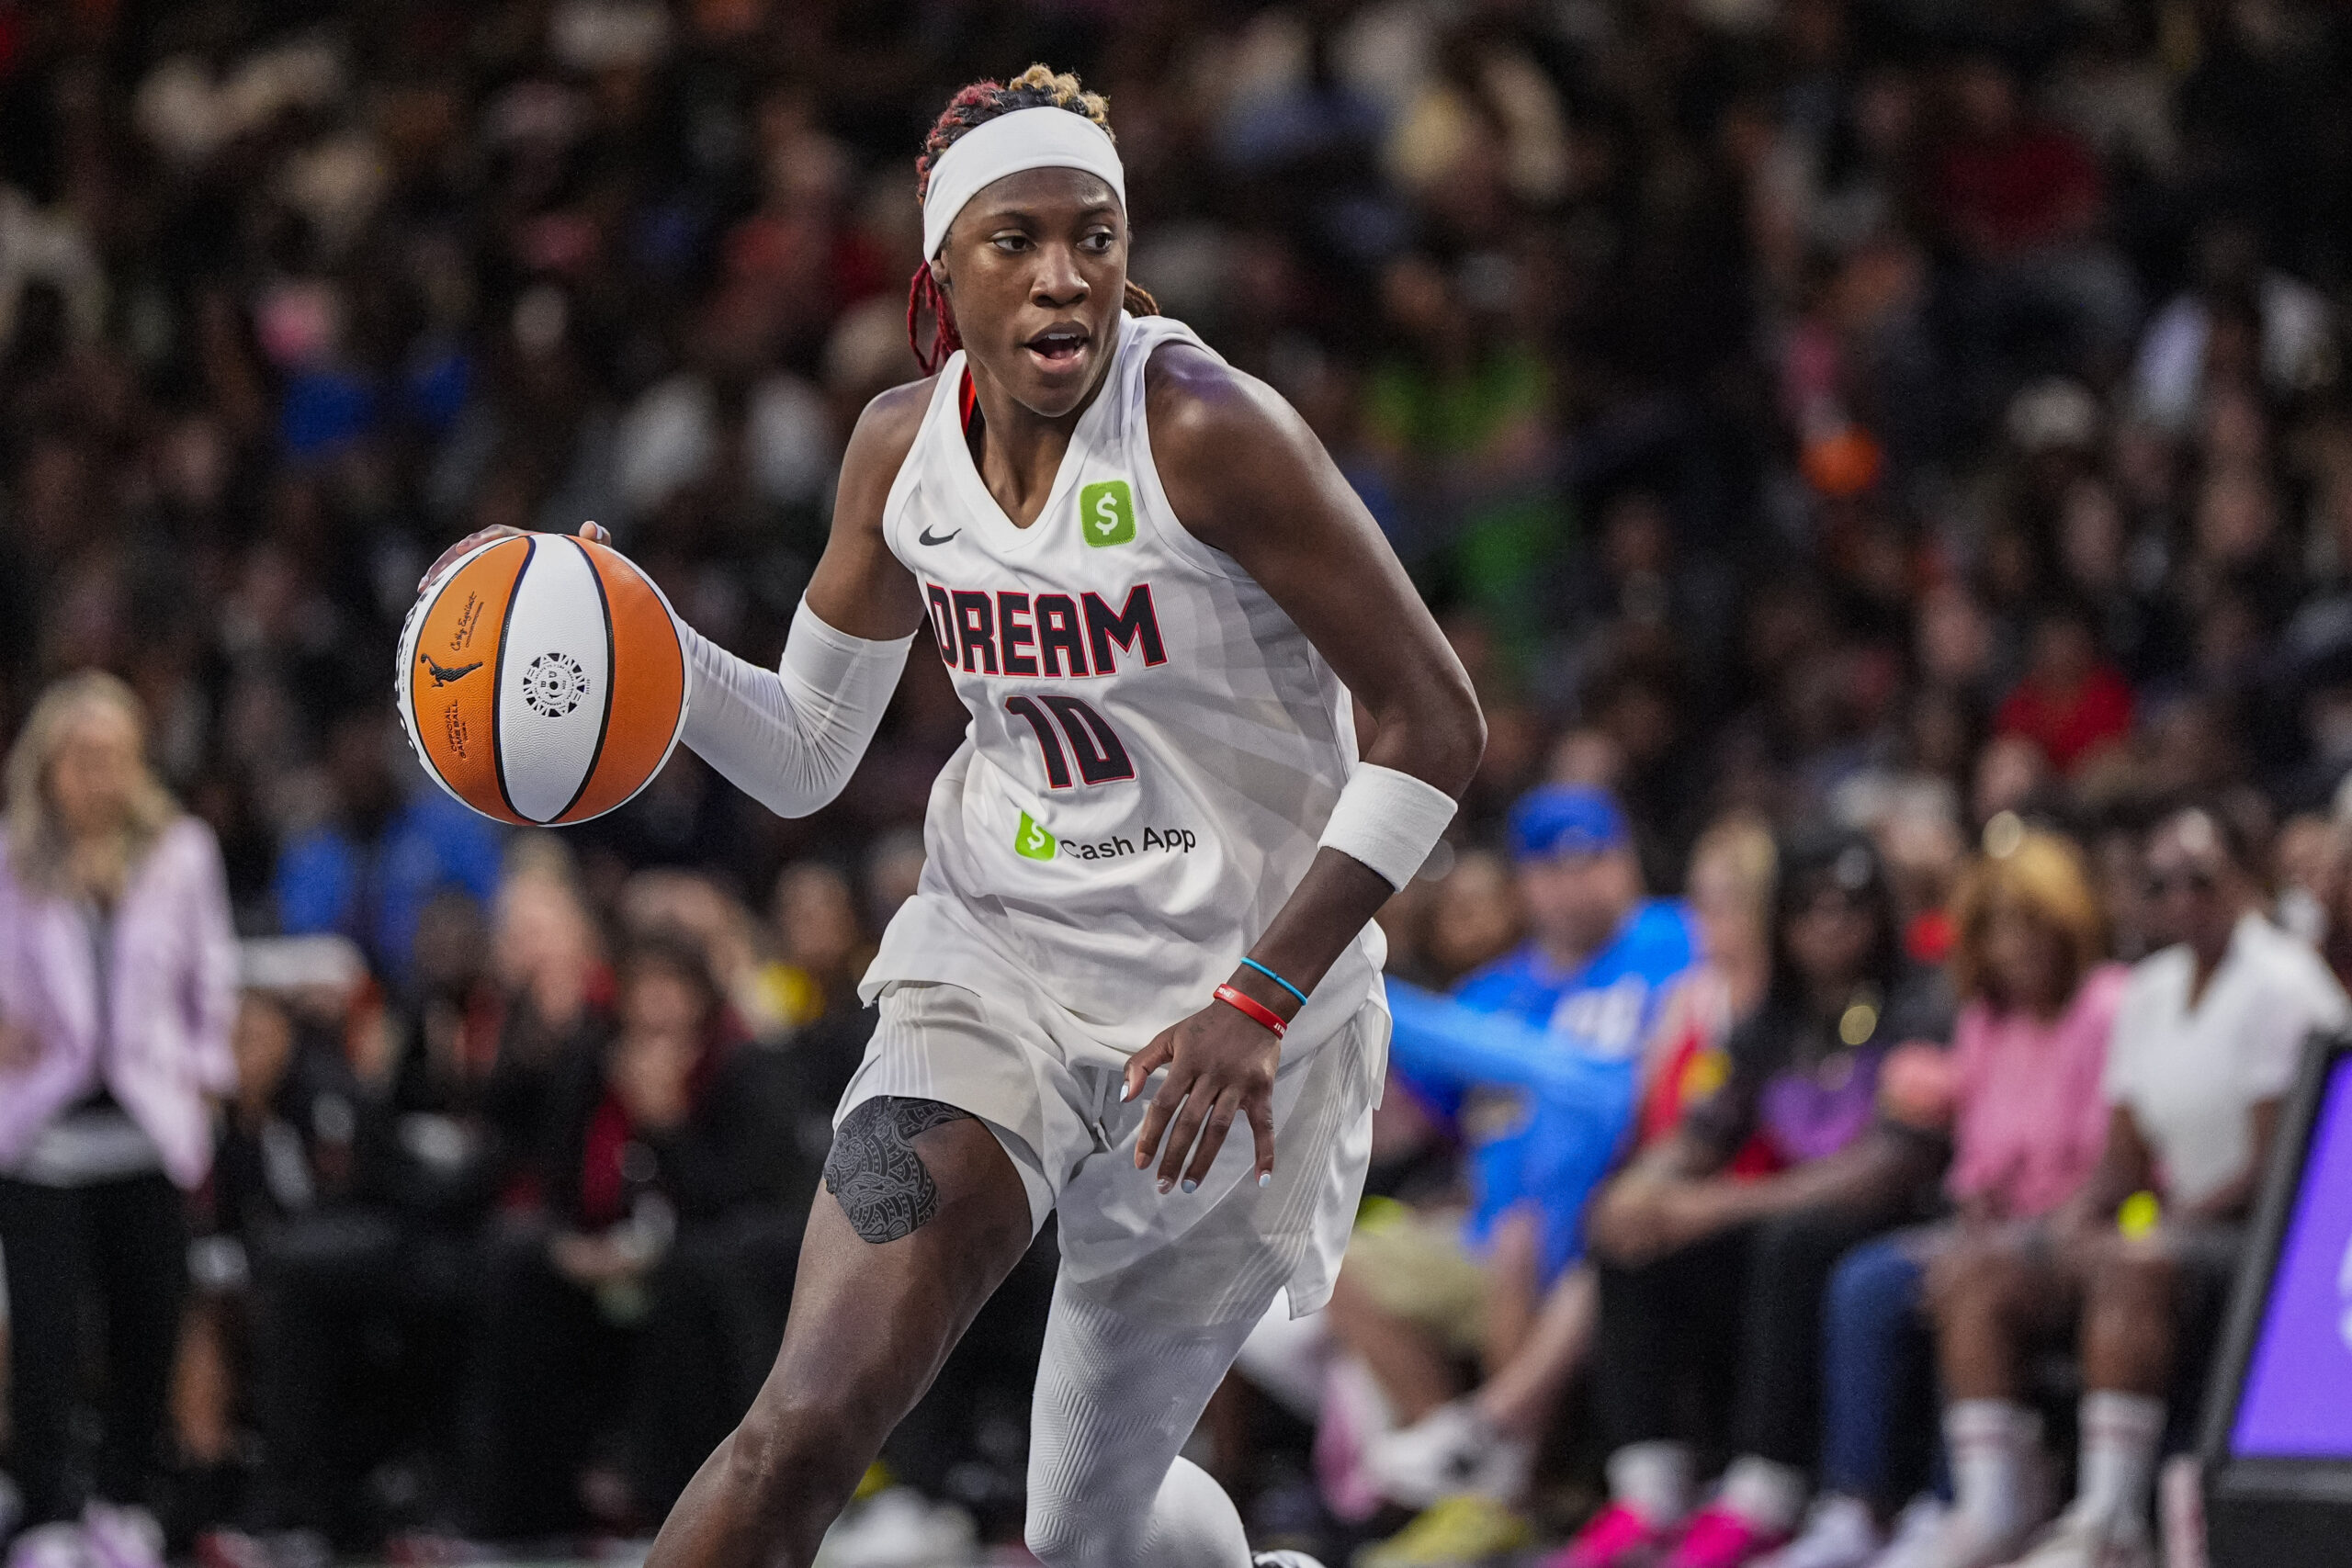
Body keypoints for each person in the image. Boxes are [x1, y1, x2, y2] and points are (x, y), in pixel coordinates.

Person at [418, 64, 1482, 1568]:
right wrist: (634, 632)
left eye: (1093, 237)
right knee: (804, 1420)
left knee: (1086, 1533)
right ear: (940, 270)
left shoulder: (1207, 430)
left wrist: (1263, 992)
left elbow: (1438, 720)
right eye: (1016, 239)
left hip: (1238, 1034)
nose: (1063, 277)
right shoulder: (895, 452)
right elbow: (801, 751)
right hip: (998, 965)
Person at [1917, 805, 2345, 1568]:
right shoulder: (2148, 989)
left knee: (2132, 1261)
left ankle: (2110, 1519)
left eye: (2199, 878)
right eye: (2159, 882)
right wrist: (2062, 1226)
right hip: (2175, 1223)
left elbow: (2280, 1167)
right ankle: (1994, 1508)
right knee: (1977, 1270)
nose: (2179, 897)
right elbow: (2120, 1161)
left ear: (2244, 878)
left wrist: (2155, 1223)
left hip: (2263, 1239)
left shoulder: (2284, 983)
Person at [1556, 828, 1952, 1568]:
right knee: (1629, 1232)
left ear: (1883, 913)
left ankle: (1766, 1490)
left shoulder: (1923, 1004)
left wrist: (1709, 1206)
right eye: (1808, 906)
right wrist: (1644, 1186)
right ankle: (1649, 1487)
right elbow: (1705, 1129)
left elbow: (1888, 1168)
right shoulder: (1774, 1020)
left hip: (1894, 1217)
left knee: (1789, 1241)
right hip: (1784, 1217)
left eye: (1849, 904)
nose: (1829, 921)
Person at [1325, 784, 1696, 1567]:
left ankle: (1499, 1483)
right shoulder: (1494, 991)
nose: (1575, 881)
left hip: (1601, 1212)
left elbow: (1633, 1090)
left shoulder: (1672, 941)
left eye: (1593, 859)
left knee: (1528, 1230)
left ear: (1627, 862)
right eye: (1552, 867)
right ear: (1525, 882)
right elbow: (1413, 1121)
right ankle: (1457, 1471)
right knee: (1338, 1261)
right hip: (1488, 1222)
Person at [1763, 829, 2126, 1568]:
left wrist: (2015, 1233)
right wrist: (1973, 1207)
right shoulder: (1986, 1021)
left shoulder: (2108, 1006)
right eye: (1994, 928)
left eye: (2029, 922)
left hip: (2081, 1231)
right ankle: (1856, 1506)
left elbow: (2112, 1160)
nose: (2013, 945)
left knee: (1966, 1280)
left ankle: (1957, 1501)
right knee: (1870, 1280)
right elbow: (1974, 1158)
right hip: (1993, 1227)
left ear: (2067, 921)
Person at [0, 672, 240, 1557]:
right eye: (80, 757)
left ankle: (127, 1503)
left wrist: (206, 1076)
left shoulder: (181, 852)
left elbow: (209, 975)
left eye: (112, 756)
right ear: (48, 765)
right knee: (49, 1339)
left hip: (150, 1125)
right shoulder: (12, 855)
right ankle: (50, 1514)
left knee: (151, 1326)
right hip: (44, 1138)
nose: (97, 774)